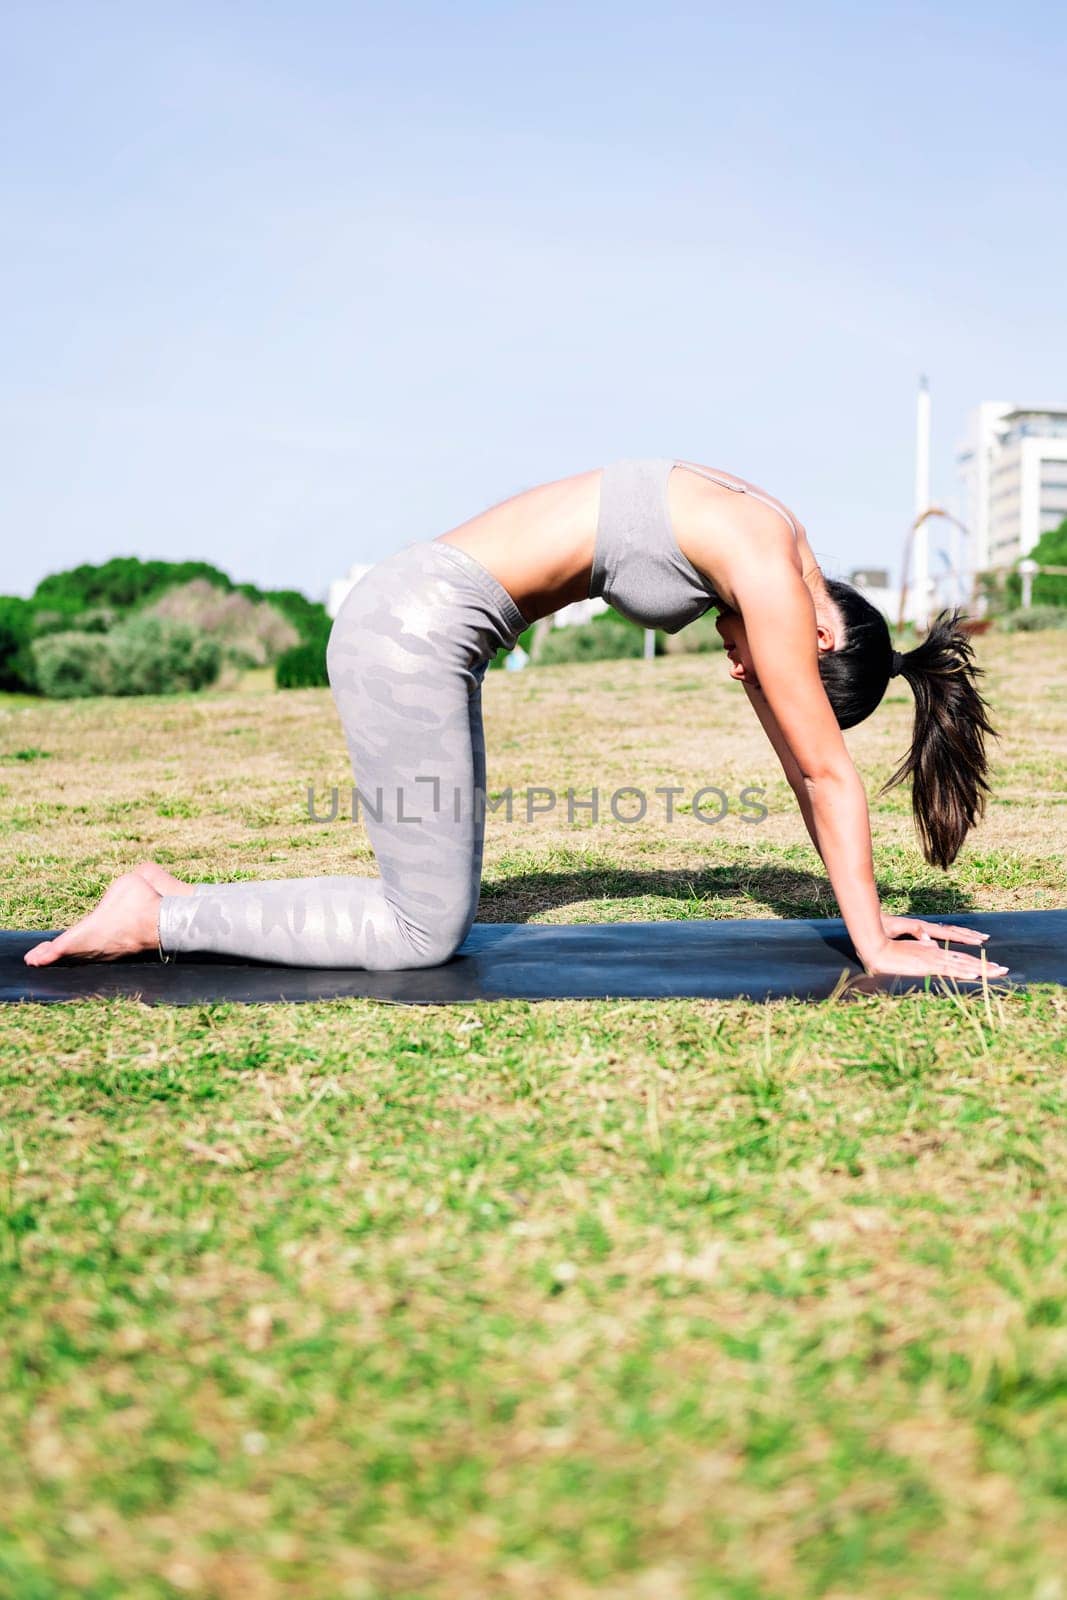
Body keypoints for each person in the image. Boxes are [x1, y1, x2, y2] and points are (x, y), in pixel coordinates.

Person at [24, 456, 1006, 981]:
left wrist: (866, 912)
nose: (739, 666)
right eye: (758, 664)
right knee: (420, 932)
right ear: (820, 642)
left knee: (424, 909)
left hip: (420, 621)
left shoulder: (770, 532)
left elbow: (803, 767)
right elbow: (827, 771)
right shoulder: (763, 572)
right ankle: (154, 915)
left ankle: (165, 895)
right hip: (407, 634)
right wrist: (872, 948)